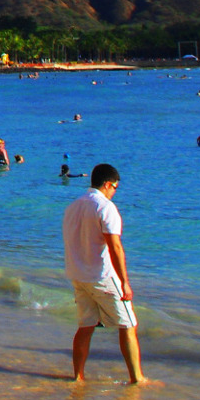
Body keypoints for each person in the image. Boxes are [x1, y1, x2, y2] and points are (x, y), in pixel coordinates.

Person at [62, 163, 148, 384]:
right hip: (102, 276)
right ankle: (136, 378)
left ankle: (78, 377)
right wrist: (125, 282)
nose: (115, 192)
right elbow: (115, 246)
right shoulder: (105, 207)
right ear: (108, 184)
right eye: (115, 187)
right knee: (128, 325)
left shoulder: (73, 207)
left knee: (85, 326)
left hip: (78, 275)